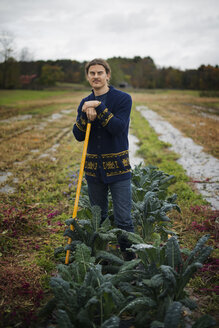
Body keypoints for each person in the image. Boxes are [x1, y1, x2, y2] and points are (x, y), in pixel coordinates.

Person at [73, 58, 135, 260]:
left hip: (118, 169)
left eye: (100, 73)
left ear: (108, 75)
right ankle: (102, 258)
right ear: (88, 77)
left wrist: (98, 108)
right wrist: (85, 115)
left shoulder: (123, 99)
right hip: (93, 171)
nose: (96, 76)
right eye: (92, 73)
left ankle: (129, 260)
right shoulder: (84, 103)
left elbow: (118, 128)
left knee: (123, 219)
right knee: (99, 219)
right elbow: (78, 135)